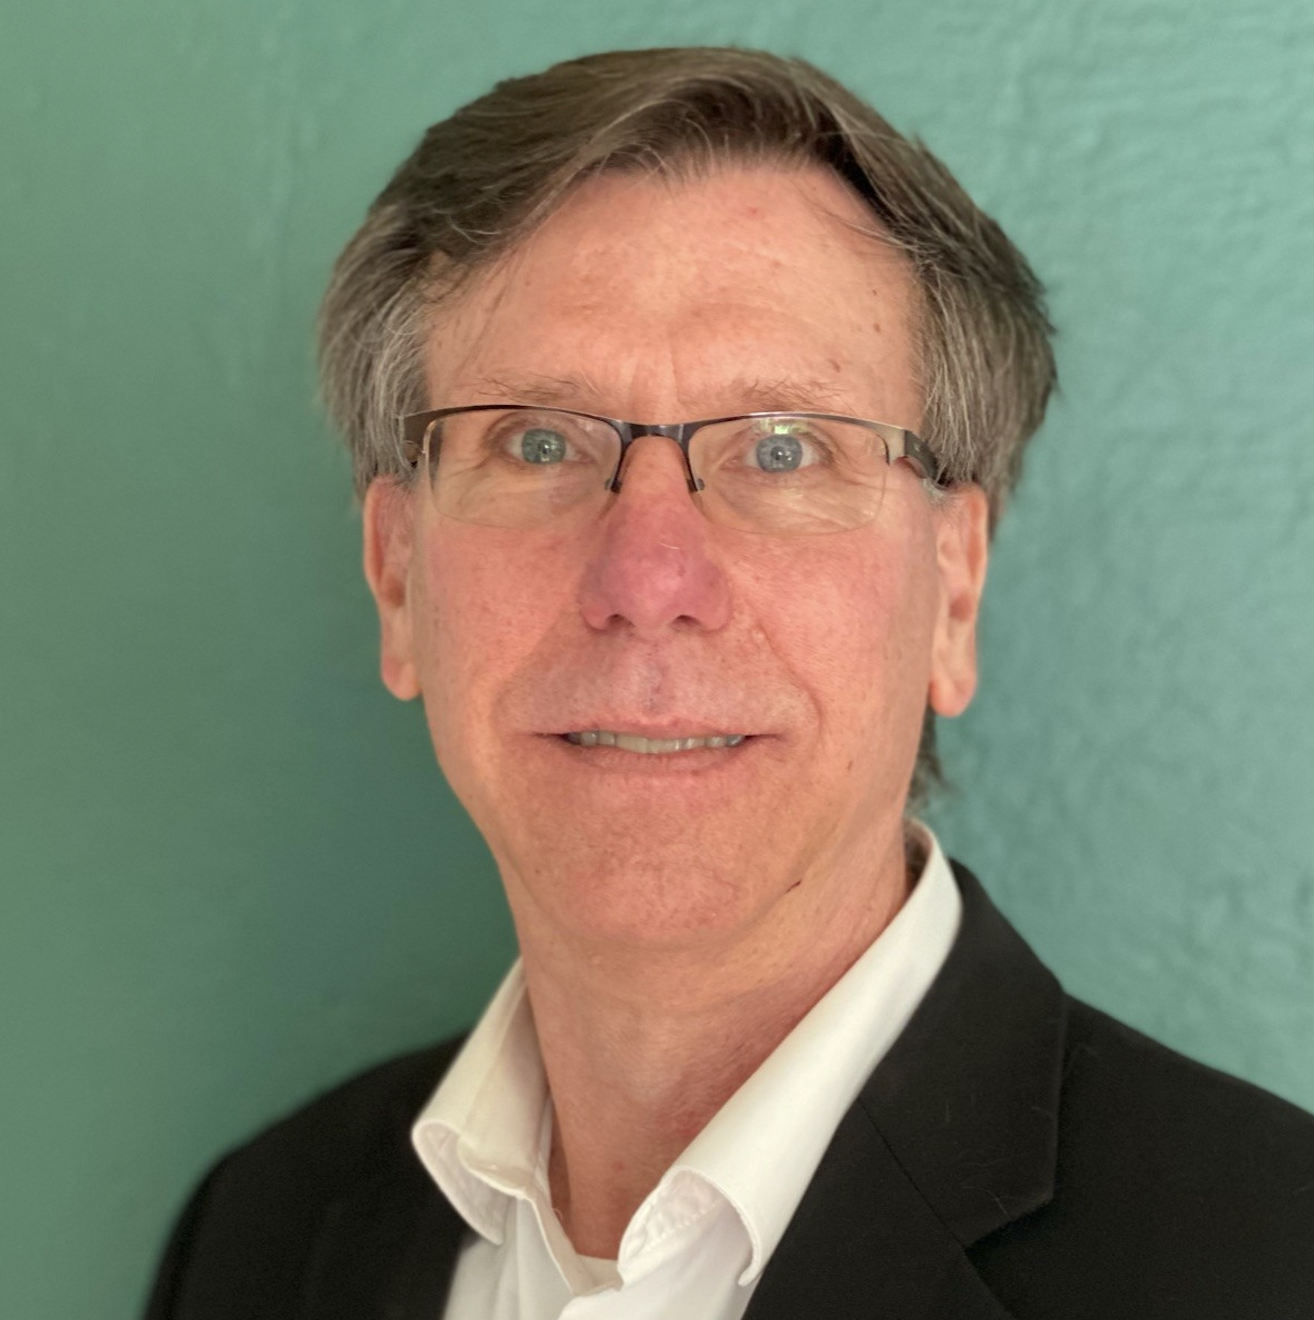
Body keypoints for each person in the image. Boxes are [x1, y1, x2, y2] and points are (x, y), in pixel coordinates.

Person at [145, 47, 1314, 1320]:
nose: (650, 578)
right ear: (397, 577)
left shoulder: (1270, 1260)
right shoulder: (256, 1239)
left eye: (784, 447)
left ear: (955, 588)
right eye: (537, 441)